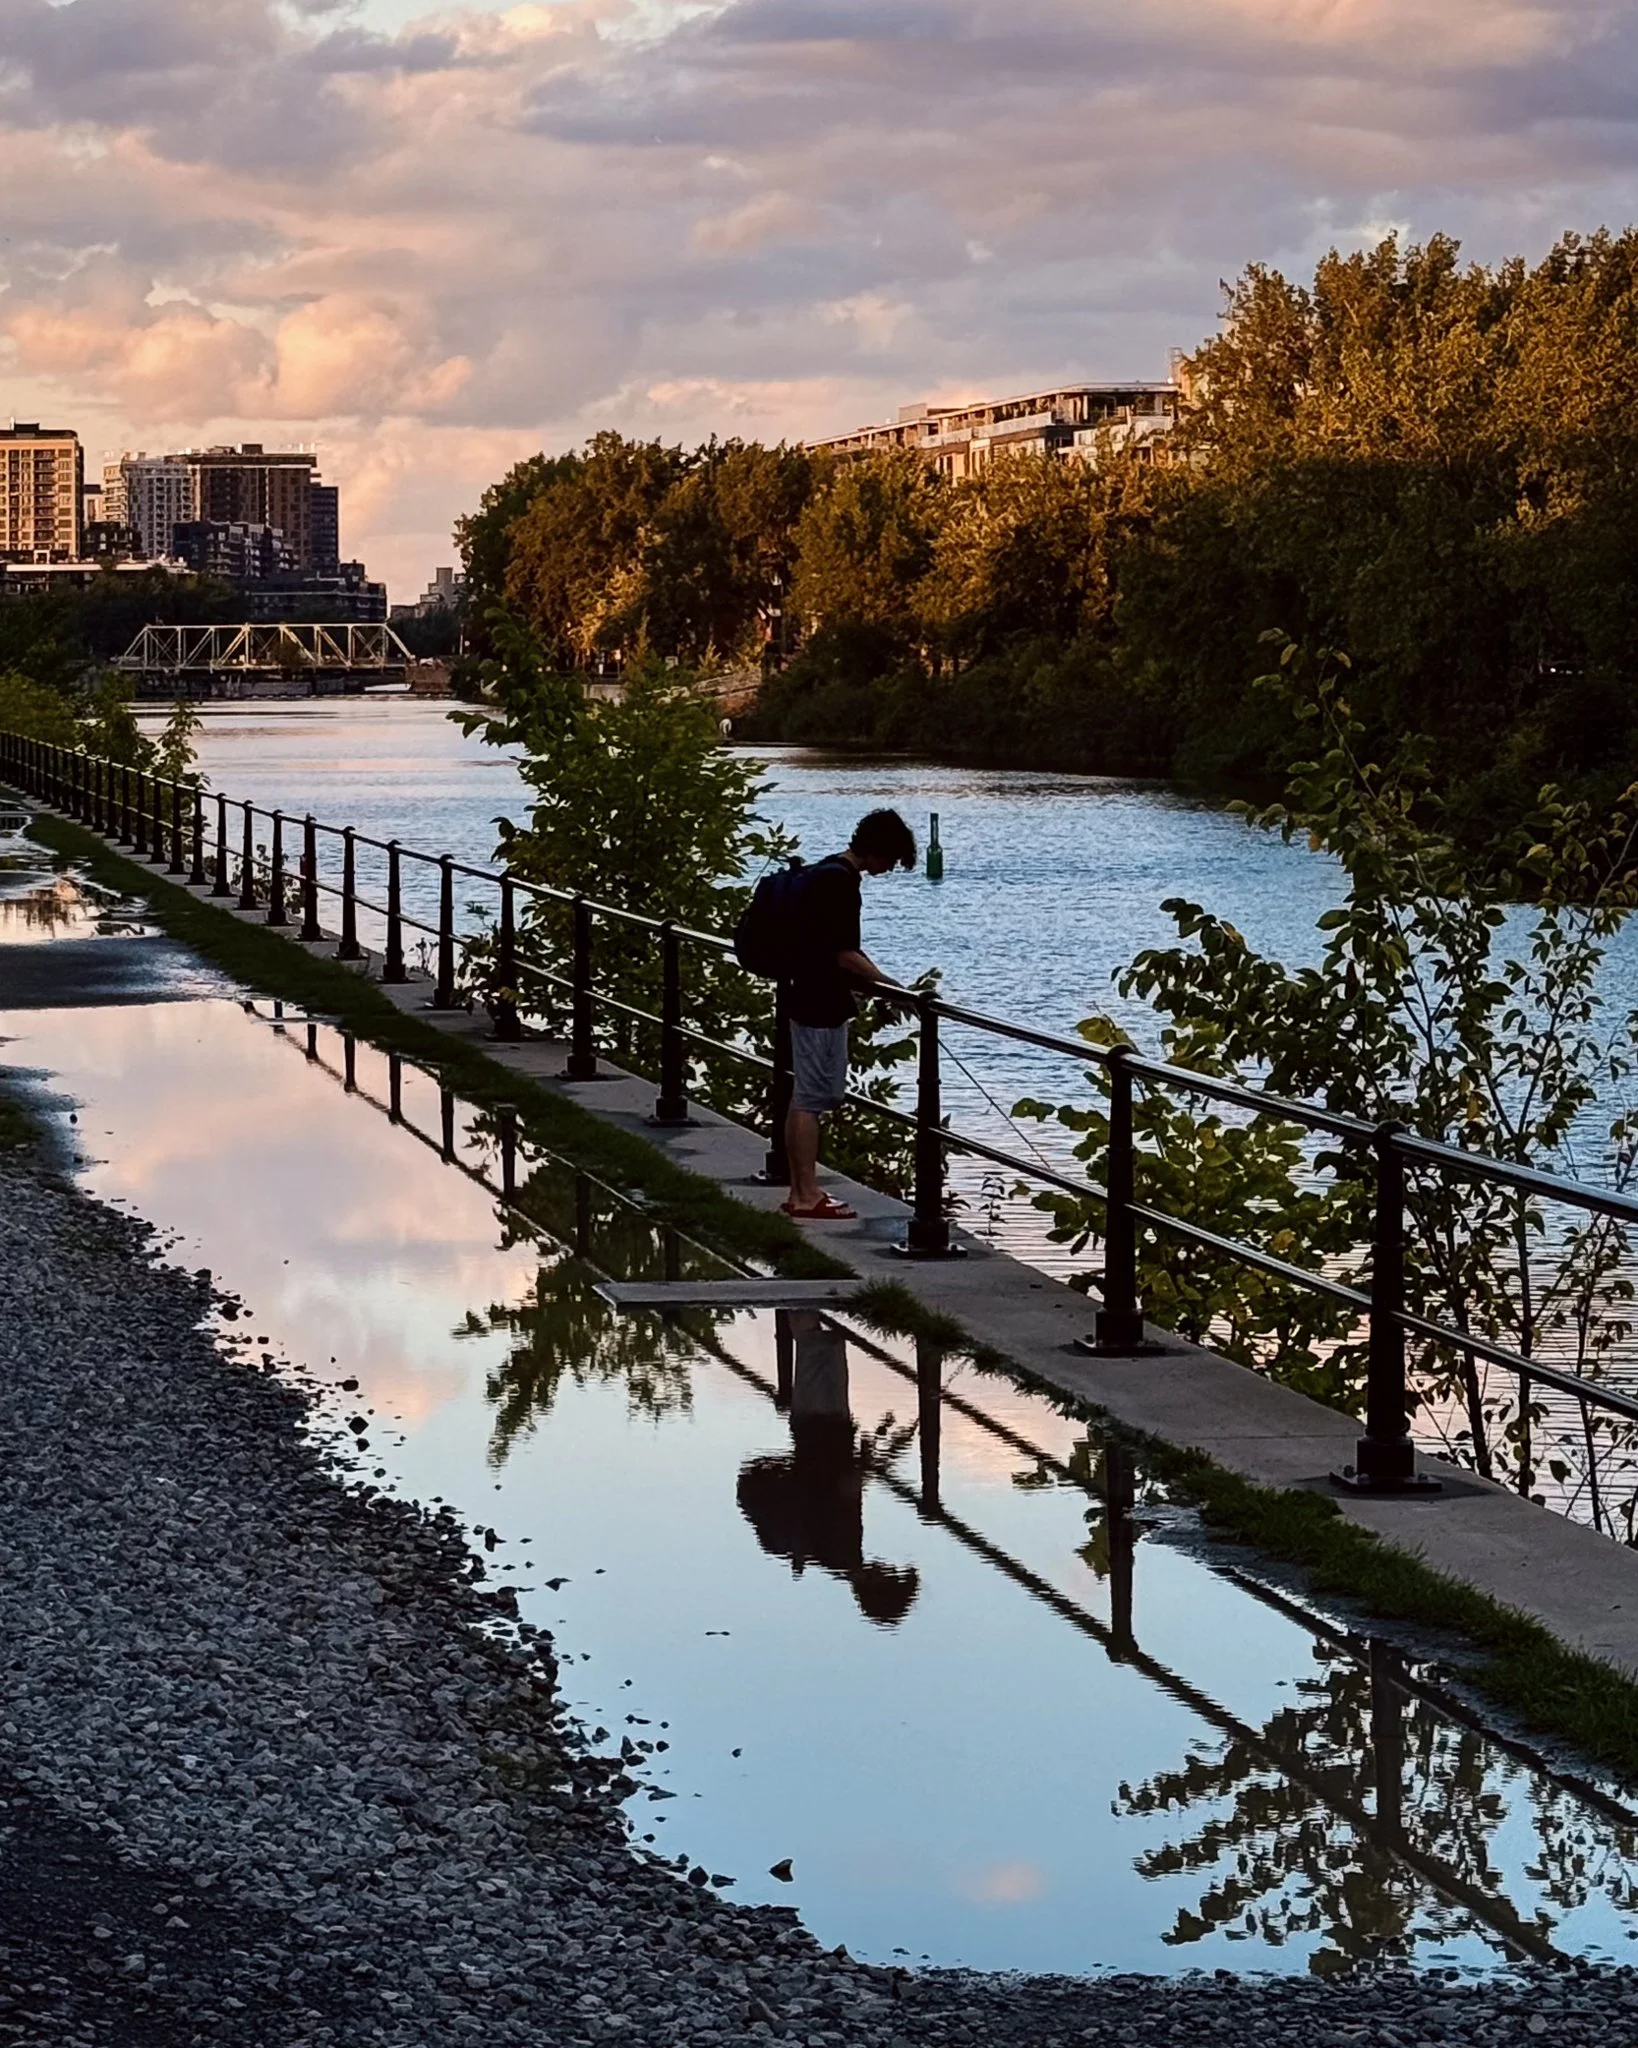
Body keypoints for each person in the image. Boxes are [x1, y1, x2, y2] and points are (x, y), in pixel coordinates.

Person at [780, 807, 916, 1222]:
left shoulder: (823, 872)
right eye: (891, 860)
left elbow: (839, 946)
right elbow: (844, 953)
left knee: (805, 1095)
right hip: (819, 1001)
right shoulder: (840, 885)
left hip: (802, 994)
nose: (890, 869)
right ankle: (805, 1196)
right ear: (878, 851)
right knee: (810, 1098)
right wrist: (895, 987)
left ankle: (802, 1190)